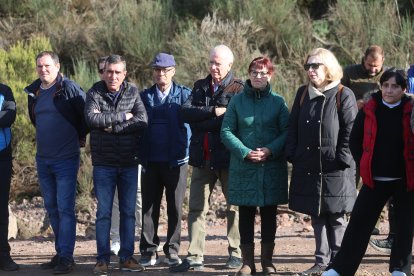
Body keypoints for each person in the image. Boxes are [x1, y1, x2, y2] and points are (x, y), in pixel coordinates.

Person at [323, 68, 414, 276]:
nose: (389, 90)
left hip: (405, 179)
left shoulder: (410, 110)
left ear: (403, 89)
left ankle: (400, 269)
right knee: (358, 225)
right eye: (385, 85)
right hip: (374, 179)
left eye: (395, 86)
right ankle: (339, 269)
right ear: (380, 86)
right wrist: (365, 163)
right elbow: (354, 140)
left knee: (404, 225)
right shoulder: (369, 109)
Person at [171, 45, 243, 272]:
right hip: (202, 157)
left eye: (218, 63)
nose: (213, 67)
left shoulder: (239, 89)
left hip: (228, 158)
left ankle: (236, 254)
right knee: (196, 208)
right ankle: (194, 256)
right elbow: (185, 113)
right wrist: (213, 112)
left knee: (234, 208)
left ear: (229, 65)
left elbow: (232, 121)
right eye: (211, 62)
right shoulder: (200, 86)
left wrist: (203, 120)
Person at [285, 48, 358, 276]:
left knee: (336, 216)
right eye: (308, 66)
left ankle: (339, 262)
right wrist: (293, 153)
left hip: (336, 167)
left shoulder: (343, 94)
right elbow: (292, 126)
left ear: (328, 67)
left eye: (316, 65)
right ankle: (321, 262)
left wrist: (342, 158)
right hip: (309, 166)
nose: (311, 70)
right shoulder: (303, 94)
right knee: (316, 215)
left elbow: (351, 129)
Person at [221, 57, 289, 275]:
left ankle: (267, 262)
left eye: (262, 73)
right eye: (254, 72)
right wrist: (244, 152)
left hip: (271, 166)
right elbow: (226, 131)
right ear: (249, 74)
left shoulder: (278, 102)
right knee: (246, 213)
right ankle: (247, 263)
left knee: (269, 213)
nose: (258, 76)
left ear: (270, 75)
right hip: (244, 167)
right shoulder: (237, 102)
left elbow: (287, 132)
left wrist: (270, 150)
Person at [24, 51, 88, 274]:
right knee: (52, 208)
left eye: (47, 65)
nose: (43, 69)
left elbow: (86, 115)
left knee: (65, 209)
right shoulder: (35, 91)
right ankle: (61, 253)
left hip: (66, 159)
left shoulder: (69, 88)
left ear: (58, 66)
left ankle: (66, 257)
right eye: (40, 66)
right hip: (43, 159)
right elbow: (36, 119)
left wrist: (78, 136)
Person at [84, 54, 148, 274]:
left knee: (128, 213)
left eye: (117, 72)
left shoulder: (132, 91)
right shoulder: (94, 92)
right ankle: (102, 259)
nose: (113, 76)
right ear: (104, 72)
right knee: (103, 213)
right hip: (103, 163)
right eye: (109, 72)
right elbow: (91, 119)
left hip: (129, 163)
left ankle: (127, 257)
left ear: (124, 74)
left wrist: (114, 126)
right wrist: (124, 115)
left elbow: (142, 120)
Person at [138, 53, 191, 267]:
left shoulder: (185, 95)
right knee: (149, 208)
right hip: (150, 161)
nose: (161, 74)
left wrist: (185, 149)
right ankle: (149, 249)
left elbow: (193, 125)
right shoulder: (143, 96)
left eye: (166, 70)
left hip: (176, 161)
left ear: (173, 71)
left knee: (175, 207)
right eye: (158, 70)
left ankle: (172, 250)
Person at [0, 83, 18, 271]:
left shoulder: (5, 91)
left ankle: (3, 255)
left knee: (1, 209)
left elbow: (8, 117)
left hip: (1, 157)